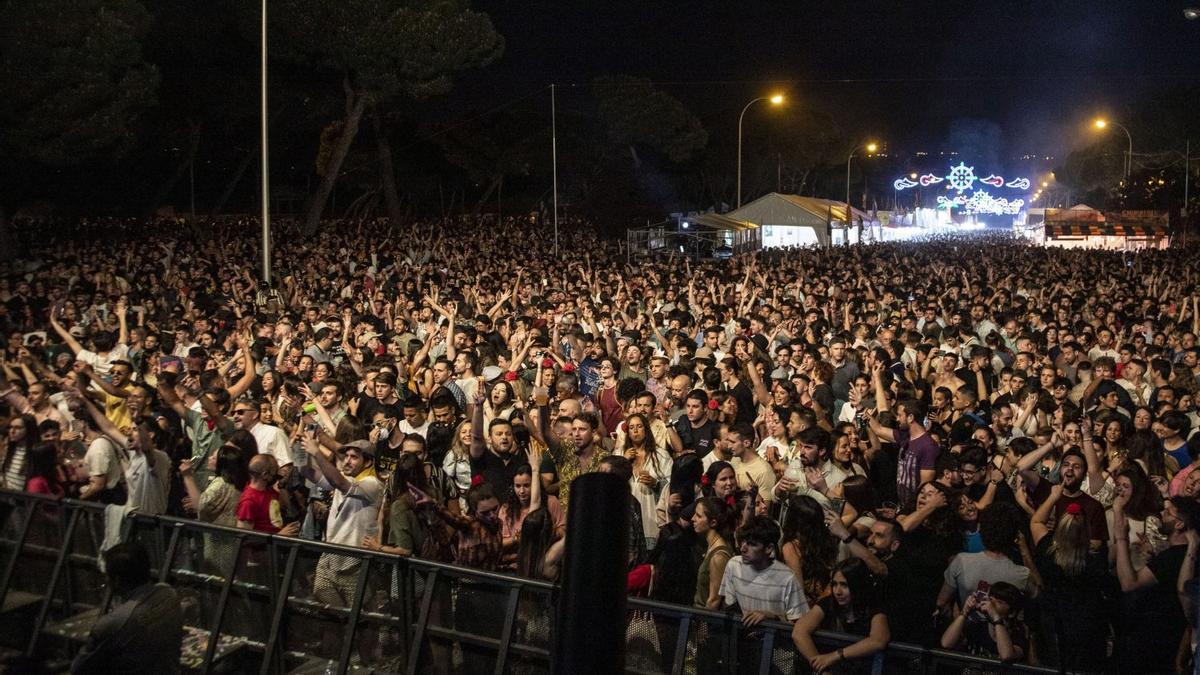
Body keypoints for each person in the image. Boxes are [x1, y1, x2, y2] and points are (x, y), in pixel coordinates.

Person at [1028, 483, 1111, 673]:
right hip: (1084, 625)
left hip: (1054, 619)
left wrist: (1053, 497)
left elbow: (1036, 522)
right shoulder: (1093, 562)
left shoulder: (1048, 550)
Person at [70, 543, 182, 675]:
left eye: (107, 575)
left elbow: (79, 668)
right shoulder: (169, 594)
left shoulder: (113, 623)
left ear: (116, 580)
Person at [791, 558, 890, 675]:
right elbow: (799, 632)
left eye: (844, 585)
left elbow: (878, 641)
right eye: (834, 584)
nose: (838, 591)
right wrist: (822, 668)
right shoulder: (828, 603)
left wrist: (835, 656)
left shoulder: (874, 607)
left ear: (857, 585)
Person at [939, 581, 1027, 663]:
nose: (991, 604)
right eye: (991, 599)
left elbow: (1007, 656)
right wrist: (965, 613)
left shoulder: (1017, 633)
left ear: (1012, 611)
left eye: (999, 602)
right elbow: (946, 643)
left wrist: (996, 618)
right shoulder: (978, 625)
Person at [691, 496, 734, 609]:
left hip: (705, 620)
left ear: (713, 522)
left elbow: (714, 600)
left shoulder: (719, 556)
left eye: (699, 516)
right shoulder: (710, 546)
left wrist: (702, 625)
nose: (693, 518)